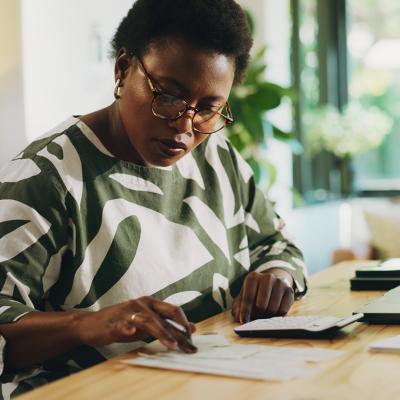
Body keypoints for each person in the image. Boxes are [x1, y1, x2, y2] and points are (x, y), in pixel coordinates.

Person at [0, 0, 307, 396]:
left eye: (209, 109)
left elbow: (277, 244)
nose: (184, 126)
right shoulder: (48, 177)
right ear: (123, 69)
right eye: (168, 96)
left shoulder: (216, 157)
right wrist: (86, 325)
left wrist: (277, 277)